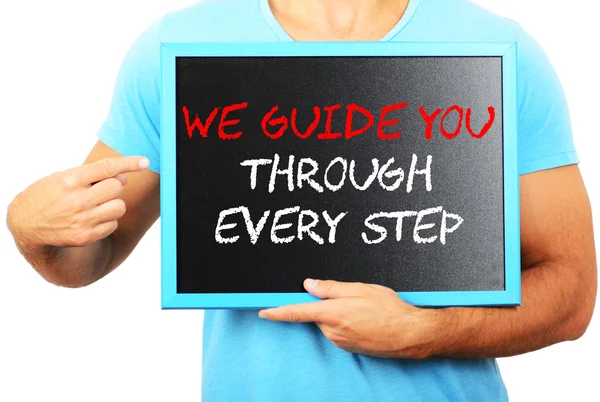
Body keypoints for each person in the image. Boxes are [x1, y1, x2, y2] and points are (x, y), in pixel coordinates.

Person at [6, 0, 597, 400]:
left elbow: (571, 293)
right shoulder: (180, 47)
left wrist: (424, 332)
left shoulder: (495, 48)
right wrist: (30, 227)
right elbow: (88, 258)